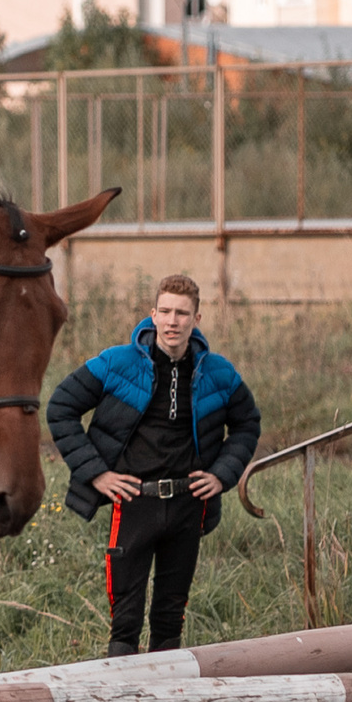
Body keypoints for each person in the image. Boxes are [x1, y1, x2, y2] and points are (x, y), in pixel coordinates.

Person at [48, 276, 262, 657]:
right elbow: (60, 407)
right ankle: (121, 695)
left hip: (188, 504)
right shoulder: (116, 363)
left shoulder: (219, 373)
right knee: (125, 620)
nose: (172, 321)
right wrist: (96, 473)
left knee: (170, 616)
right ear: (153, 315)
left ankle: (167, 695)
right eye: (165, 311)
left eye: (181, 313)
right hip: (134, 503)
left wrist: (222, 475)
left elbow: (248, 423)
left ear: (197, 318)